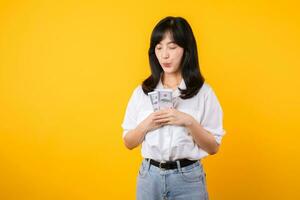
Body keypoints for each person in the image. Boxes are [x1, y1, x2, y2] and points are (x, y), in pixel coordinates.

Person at [121, 16, 226, 200]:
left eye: (172, 47)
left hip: (188, 179)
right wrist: (147, 124)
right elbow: (129, 143)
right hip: (149, 177)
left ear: (186, 50)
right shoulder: (142, 92)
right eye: (159, 47)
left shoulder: (203, 93)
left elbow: (213, 147)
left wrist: (189, 122)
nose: (165, 55)